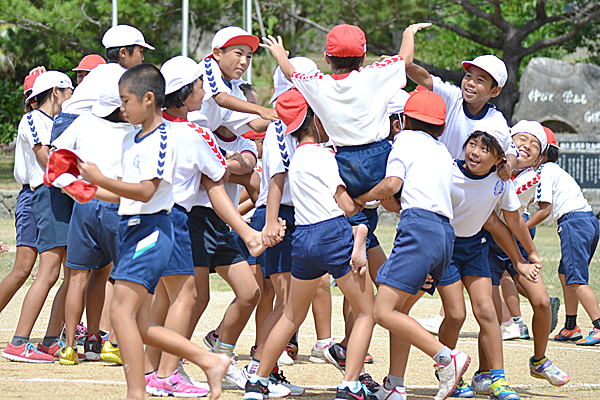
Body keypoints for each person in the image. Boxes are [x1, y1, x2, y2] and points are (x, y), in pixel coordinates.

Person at [77, 63, 230, 400]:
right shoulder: (133, 138)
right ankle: (208, 360)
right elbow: (122, 191)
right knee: (138, 322)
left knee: (121, 313)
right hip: (132, 228)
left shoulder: (164, 138)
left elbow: (146, 191)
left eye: (126, 100)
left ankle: (138, 392)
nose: (122, 108)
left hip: (152, 231)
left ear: (149, 99)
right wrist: (84, 188)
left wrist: (98, 178)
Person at [244, 88, 373, 400]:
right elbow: (345, 205)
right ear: (313, 120)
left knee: (291, 314)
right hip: (332, 234)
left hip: (303, 239)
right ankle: (351, 384)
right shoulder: (324, 155)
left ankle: (258, 380)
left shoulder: (296, 156)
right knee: (367, 312)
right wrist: (367, 199)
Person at [355, 90, 467, 400]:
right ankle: (395, 386)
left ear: (403, 120)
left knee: (382, 310)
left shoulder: (404, 140)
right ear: (441, 127)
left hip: (418, 229)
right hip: (444, 235)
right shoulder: (443, 151)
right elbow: (450, 197)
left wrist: (360, 199)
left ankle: (447, 358)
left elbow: (392, 185)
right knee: (399, 310)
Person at [436, 123, 545, 400]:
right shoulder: (447, 171)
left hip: (474, 247)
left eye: (486, 149)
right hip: (445, 247)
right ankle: (449, 372)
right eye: (473, 144)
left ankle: (497, 379)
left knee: (488, 313)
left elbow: (506, 222)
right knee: (456, 315)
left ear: (499, 159)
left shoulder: (500, 181)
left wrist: (522, 259)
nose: (476, 152)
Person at [51, 68, 133, 365]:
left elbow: (56, 158)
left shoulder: (83, 122)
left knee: (77, 278)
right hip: (117, 206)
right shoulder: (134, 130)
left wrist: (75, 189)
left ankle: (69, 347)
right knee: (115, 276)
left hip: (84, 206)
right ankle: (108, 340)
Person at [1, 71, 74, 363]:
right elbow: (48, 162)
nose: (73, 97)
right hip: (39, 194)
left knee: (62, 271)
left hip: (56, 194)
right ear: (55, 92)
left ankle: (49, 340)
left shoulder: (57, 122)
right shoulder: (34, 119)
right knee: (30, 269)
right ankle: (20, 341)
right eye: (69, 90)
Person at [530, 127, 600, 347]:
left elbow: (544, 210)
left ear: (542, 152)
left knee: (577, 279)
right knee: (565, 274)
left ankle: (599, 326)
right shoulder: (554, 170)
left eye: (531, 147)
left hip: (574, 223)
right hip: (586, 220)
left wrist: (520, 227)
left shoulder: (545, 172)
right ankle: (571, 326)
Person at [406, 55, 518, 180]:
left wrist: (508, 166)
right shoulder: (453, 96)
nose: (471, 83)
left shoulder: (495, 121)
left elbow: (511, 151)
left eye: (480, 80)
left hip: (465, 182)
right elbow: (425, 79)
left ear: (495, 91)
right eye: (468, 76)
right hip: (435, 172)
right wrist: (400, 64)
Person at [52, 24, 153, 142]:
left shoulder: (101, 70)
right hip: (75, 124)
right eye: (140, 52)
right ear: (123, 53)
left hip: (63, 121)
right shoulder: (121, 75)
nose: (142, 57)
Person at [0, 70, 44, 317]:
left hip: (43, 196)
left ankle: (65, 329)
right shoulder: (33, 121)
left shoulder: (47, 119)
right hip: (32, 195)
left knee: (56, 271)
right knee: (23, 269)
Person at [189, 26, 278, 136]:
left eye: (249, 56)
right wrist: (262, 110)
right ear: (217, 53)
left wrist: (286, 115)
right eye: (238, 53)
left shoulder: (235, 87)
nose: (244, 62)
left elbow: (257, 124)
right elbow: (221, 98)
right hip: (181, 132)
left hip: (201, 138)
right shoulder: (209, 66)